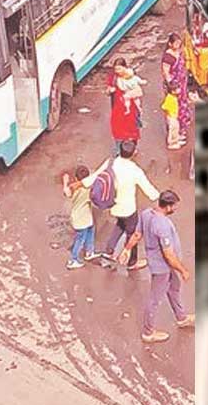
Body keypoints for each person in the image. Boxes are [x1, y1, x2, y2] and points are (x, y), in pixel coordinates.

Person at [118, 190, 193, 343]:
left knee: (174, 288)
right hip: (162, 267)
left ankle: (181, 317)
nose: (176, 208)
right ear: (168, 206)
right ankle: (148, 332)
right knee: (154, 299)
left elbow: (137, 235)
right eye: (174, 206)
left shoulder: (146, 214)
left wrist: (126, 249)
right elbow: (168, 254)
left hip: (163, 264)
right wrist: (182, 270)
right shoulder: (162, 225)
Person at [91, 140, 160, 271]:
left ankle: (109, 250)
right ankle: (132, 262)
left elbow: (96, 176)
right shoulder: (134, 170)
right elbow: (148, 189)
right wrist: (160, 198)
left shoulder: (111, 163)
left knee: (119, 225)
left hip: (113, 206)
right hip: (128, 209)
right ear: (134, 153)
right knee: (132, 234)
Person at [161, 33, 192, 148]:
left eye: (179, 43)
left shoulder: (178, 52)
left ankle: (180, 130)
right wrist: (172, 86)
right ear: (170, 44)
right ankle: (175, 134)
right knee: (175, 109)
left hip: (181, 85)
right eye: (176, 43)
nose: (178, 45)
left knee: (182, 106)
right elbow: (166, 72)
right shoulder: (168, 57)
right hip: (175, 87)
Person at [62, 167, 97, 270]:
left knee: (87, 233)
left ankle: (89, 252)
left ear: (76, 178)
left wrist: (65, 182)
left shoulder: (73, 189)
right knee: (82, 238)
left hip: (79, 218)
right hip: (85, 218)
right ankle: (73, 259)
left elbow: (66, 192)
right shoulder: (88, 189)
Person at [107, 58, 141, 150]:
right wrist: (110, 90)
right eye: (116, 69)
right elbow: (108, 89)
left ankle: (132, 148)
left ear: (125, 67)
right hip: (117, 108)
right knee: (118, 130)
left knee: (132, 129)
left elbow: (139, 92)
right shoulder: (113, 77)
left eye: (119, 69)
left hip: (131, 109)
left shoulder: (131, 77)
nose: (117, 71)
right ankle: (120, 150)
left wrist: (128, 95)